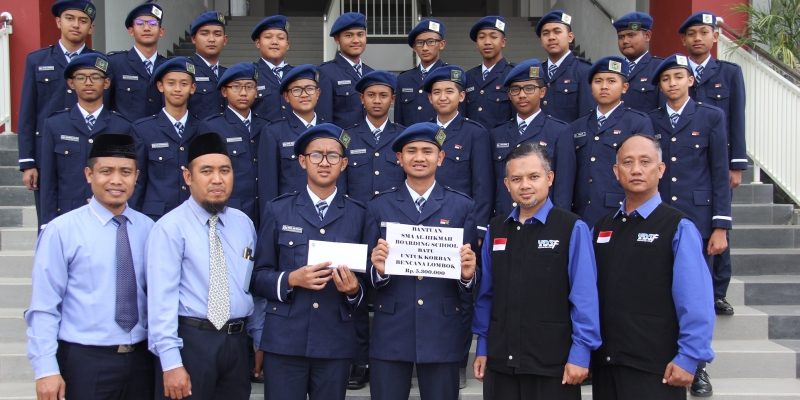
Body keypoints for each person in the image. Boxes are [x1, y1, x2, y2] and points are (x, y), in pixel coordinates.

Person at [26, 134, 155, 400]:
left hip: (142, 362)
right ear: (89, 174)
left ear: (137, 176)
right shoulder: (61, 231)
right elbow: (44, 306)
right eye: (106, 171)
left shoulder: (150, 229)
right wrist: (45, 368)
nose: (116, 180)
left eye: (125, 172)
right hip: (85, 361)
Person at [472, 143, 601, 400]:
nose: (525, 185)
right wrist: (483, 347)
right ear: (507, 184)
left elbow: (584, 297)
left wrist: (581, 353)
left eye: (534, 177)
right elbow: (487, 295)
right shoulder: (496, 229)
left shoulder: (572, 228)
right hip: (501, 363)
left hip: (552, 365)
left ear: (549, 178)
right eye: (517, 179)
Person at [591, 133, 715, 400]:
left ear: (660, 169)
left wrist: (690, 356)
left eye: (645, 161)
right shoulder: (601, 228)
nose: (636, 169)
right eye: (627, 162)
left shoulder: (677, 227)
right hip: (606, 365)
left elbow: (696, 300)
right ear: (616, 171)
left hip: (657, 368)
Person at [251, 124, 366, 400]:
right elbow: (258, 276)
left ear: (344, 163)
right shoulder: (278, 210)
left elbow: (369, 279)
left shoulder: (360, 214)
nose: (324, 162)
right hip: (284, 340)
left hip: (334, 339)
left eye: (333, 156)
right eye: (316, 155)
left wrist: (353, 290)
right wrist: (291, 279)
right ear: (302, 161)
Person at [365, 122, 478, 400]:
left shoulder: (462, 207)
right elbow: (366, 275)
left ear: (440, 158)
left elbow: (473, 281)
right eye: (411, 151)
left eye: (427, 151)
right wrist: (378, 272)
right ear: (399, 158)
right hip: (391, 329)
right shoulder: (378, 206)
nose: (419, 157)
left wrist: (467, 275)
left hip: (442, 329)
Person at [146, 132, 263, 400]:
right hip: (191, 343)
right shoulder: (170, 228)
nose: (217, 179)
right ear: (188, 176)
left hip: (236, 343)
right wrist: (171, 362)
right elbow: (160, 302)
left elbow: (250, 287)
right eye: (206, 171)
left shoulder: (243, 223)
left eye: (225, 170)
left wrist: (259, 339)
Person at [649, 54, 731, 397]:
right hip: (658, 221)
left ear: (690, 81)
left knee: (696, 295)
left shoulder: (711, 116)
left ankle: (697, 367)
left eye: (678, 77)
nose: (672, 83)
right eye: (666, 79)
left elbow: (719, 173)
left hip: (697, 222)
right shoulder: (649, 120)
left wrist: (721, 227)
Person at [680, 10, 747, 320]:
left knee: (719, 226)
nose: (697, 38)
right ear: (684, 39)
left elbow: (737, 120)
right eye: (692, 34)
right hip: (688, 160)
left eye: (703, 32)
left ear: (715, 36)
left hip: (718, 161)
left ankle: (718, 291)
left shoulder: (729, 73)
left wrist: (736, 165)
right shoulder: (676, 71)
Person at [342, 70, 407, 389]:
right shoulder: (347, 137)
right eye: (371, 95)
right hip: (356, 228)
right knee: (355, 294)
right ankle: (360, 360)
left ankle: (399, 359)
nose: (377, 100)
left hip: (396, 232)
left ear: (393, 99)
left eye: (384, 95)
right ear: (361, 99)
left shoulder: (405, 137)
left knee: (395, 296)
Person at [18, 0, 100, 227]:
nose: (76, 25)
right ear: (58, 22)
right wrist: (28, 162)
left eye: (83, 21)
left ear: (90, 28)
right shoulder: (37, 60)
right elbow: (27, 113)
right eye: (69, 18)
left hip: (89, 149)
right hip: (48, 153)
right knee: (49, 218)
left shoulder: (101, 64)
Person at [40, 53, 132, 227]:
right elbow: (48, 181)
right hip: (67, 216)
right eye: (81, 77)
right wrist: (47, 223)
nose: (88, 82)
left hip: (110, 215)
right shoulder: (55, 124)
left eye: (95, 77)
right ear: (71, 83)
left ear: (106, 83)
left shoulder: (123, 126)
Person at [571, 56, 655, 228]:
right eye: (598, 81)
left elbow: (646, 171)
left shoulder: (637, 122)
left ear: (625, 87)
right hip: (582, 212)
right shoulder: (577, 126)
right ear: (590, 87)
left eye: (611, 81)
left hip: (621, 212)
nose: (604, 86)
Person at [491, 58, 575, 214]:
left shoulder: (560, 131)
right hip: (505, 218)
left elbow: (564, 187)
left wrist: (558, 223)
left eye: (529, 88)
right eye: (515, 89)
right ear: (509, 95)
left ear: (542, 91)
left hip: (545, 219)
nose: (522, 95)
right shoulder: (497, 134)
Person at [257, 64, 339, 210]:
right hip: (290, 215)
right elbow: (268, 187)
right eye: (296, 90)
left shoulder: (334, 132)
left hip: (330, 214)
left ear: (318, 93)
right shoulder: (273, 132)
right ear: (286, 97)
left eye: (309, 88)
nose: (304, 94)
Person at [129, 57, 201, 220]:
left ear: (192, 88)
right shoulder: (143, 130)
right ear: (160, 86)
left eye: (184, 83)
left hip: (195, 215)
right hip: (156, 216)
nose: (177, 89)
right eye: (171, 83)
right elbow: (138, 181)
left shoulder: (202, 128)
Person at [199, 62, 269, 227]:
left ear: (256, 91)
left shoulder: (266, 126)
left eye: (249, 87)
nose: (243, 92)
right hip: (230, 210)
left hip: (263, 210)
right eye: (236, 87)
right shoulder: (212, 126)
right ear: (224, 91)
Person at [395, 19, 463, 126]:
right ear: (414, 47)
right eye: (420, 43)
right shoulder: (403, 79)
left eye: (431, 42)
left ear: (442, 44)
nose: (425, 48)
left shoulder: (453, 74)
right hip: (413, 140)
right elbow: (399, 121)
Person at [107, 3, 167, 121]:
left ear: (161, 31)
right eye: (140, 23)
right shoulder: (115, 63)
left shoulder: (167, 67)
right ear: (131, 31)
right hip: (126, 137)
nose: (146, 28)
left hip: (158, 136)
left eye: (153, 24)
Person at [535, 10, 595, 122]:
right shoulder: (537, 72)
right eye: (545, 33)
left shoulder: (584, 70)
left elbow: (587, 116)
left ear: (570, 37)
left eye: (557, 32)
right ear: (541, 42)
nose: (551, 37)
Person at [317, 12, 374, 128]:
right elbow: (324, 118)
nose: (356, 40)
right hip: (343, 143)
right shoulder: (326, 72)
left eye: (360, 34)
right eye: (349, 35)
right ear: (337, 39)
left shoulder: (371, 73)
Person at [464, 16, 515, 129]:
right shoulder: (469, 77)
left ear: (503, 42)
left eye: (493, 37)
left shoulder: (512, 74)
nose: (487, 42)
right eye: (481, 37)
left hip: (501, 143)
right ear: (477, 44)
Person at [614, 12, 665, 113]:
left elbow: (663, 111)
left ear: (647, 36)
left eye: (631, 35)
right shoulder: (613, 70)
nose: (625, 41)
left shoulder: (659, 68)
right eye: (621, 37)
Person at [251, 15, 294, 122]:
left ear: (287, 45)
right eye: (268, 37)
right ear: (258, 43)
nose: (274, 42)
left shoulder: (296, 75)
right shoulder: (249, 74)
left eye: (280, 38)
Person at [187, 11, 229, 119]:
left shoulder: (228, 75)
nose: (211, 39)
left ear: (225, 40)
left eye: (217, 34)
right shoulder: (184, 71)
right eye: (204, 34)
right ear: (193, 38)